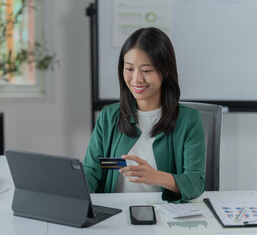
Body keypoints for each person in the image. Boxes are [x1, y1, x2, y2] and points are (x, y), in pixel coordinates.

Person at [83, 27, 205, 202]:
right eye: (129, 69)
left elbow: (196, 182)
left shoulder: (188, 120)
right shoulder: (109, 116)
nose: (136, 79)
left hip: (164, 216)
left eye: (146, 70)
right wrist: (71, 192)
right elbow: (91, 171)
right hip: (116, 215)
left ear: (165, 70)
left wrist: (156, 176)